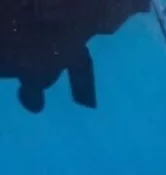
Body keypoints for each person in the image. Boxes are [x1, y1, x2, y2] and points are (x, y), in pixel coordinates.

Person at [0, 0, 150, 113]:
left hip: (73, 19)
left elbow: (79, 59)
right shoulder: (22, 62)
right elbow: (78, 58)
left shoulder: (44, 63)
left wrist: (83, 93)